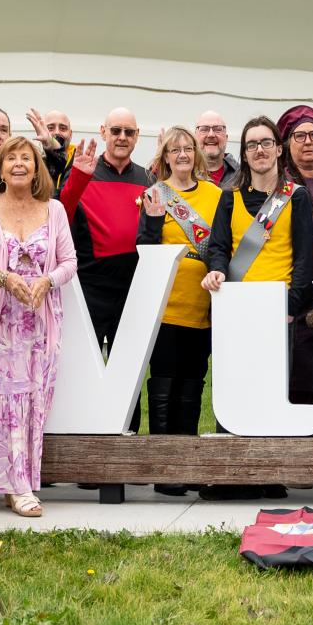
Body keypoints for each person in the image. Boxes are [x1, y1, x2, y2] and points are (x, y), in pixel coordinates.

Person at [201, 117, 313, 500]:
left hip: (276, 307)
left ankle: (267, 473)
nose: (260, 150)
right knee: (232, 387)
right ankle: (229, 475)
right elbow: (217, 247)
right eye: (252, 145)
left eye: (266, 143)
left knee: (270, 390)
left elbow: (303, 258)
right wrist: (217, 270)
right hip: (236, 305)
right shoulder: (229, 197)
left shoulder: (295, 196)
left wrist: (291, 306)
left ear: (279, 150)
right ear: (244, 153)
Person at [0, 136, 77, 517]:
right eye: (9, 157)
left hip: (41, 320)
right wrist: (3, 277)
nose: (17, 163)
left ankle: (18, 478)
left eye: (25, 158)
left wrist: (48, 281)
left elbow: (70, 261)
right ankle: (17, 486)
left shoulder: (55, 210)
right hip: (0, 319)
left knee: (33, 399)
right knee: (1, 400)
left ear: (36, 167)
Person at [135, 126, 222, 494]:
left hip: (202, 306)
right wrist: (154, 220)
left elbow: (221, 244)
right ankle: (163, 468)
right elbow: (144, 248)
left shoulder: (216, 195)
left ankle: (185, 463)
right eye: (176, 150)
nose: (183, 154)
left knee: (192, 383)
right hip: (166, 307)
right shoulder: (155, 195)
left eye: (189, 148)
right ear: (166, 156)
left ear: (197, 154)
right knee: (164, 384)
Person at [58, 107, 153, 358]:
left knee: (126, 371)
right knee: (83, 366)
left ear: (137, 136)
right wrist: (78, 178)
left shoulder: (147, 178)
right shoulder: (84, 169)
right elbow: (61, 217)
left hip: (131, 290)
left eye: (129, 132)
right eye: (116, 130)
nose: (122, 137)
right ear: (103, 132)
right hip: (90, 288)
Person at [279, 105, 313, 405]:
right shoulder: (279, 190)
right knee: (293, 379)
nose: (308, 141)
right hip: (293, 292)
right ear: (287, 143)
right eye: (299, 135)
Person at [196, 110, 238, 186]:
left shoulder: (243, 176)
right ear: (195, 138)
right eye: (204, 129)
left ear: (226, 138)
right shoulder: (185, 175)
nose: (211, 135)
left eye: (217, 129)